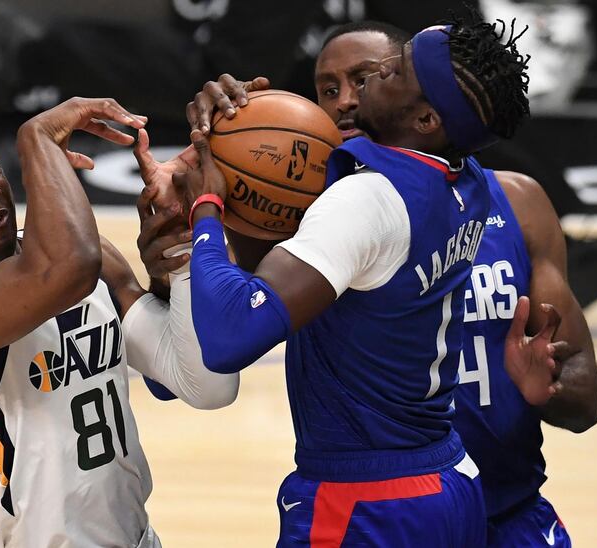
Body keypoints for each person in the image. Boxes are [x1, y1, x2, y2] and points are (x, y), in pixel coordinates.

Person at [141, 11, 561, 546]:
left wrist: (207, 205)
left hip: (367, 499)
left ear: (427, 118)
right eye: (327, 88)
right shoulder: (466, 177)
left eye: (383, 75)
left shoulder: (367, 201)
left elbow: (224, 341)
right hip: (448, 482)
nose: (352, 96)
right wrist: (238, 138)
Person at [0, 98, 238, 547]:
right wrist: (36, 137)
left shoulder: (90, 260)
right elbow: (69, 268)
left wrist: (179, 261)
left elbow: (207, 384)